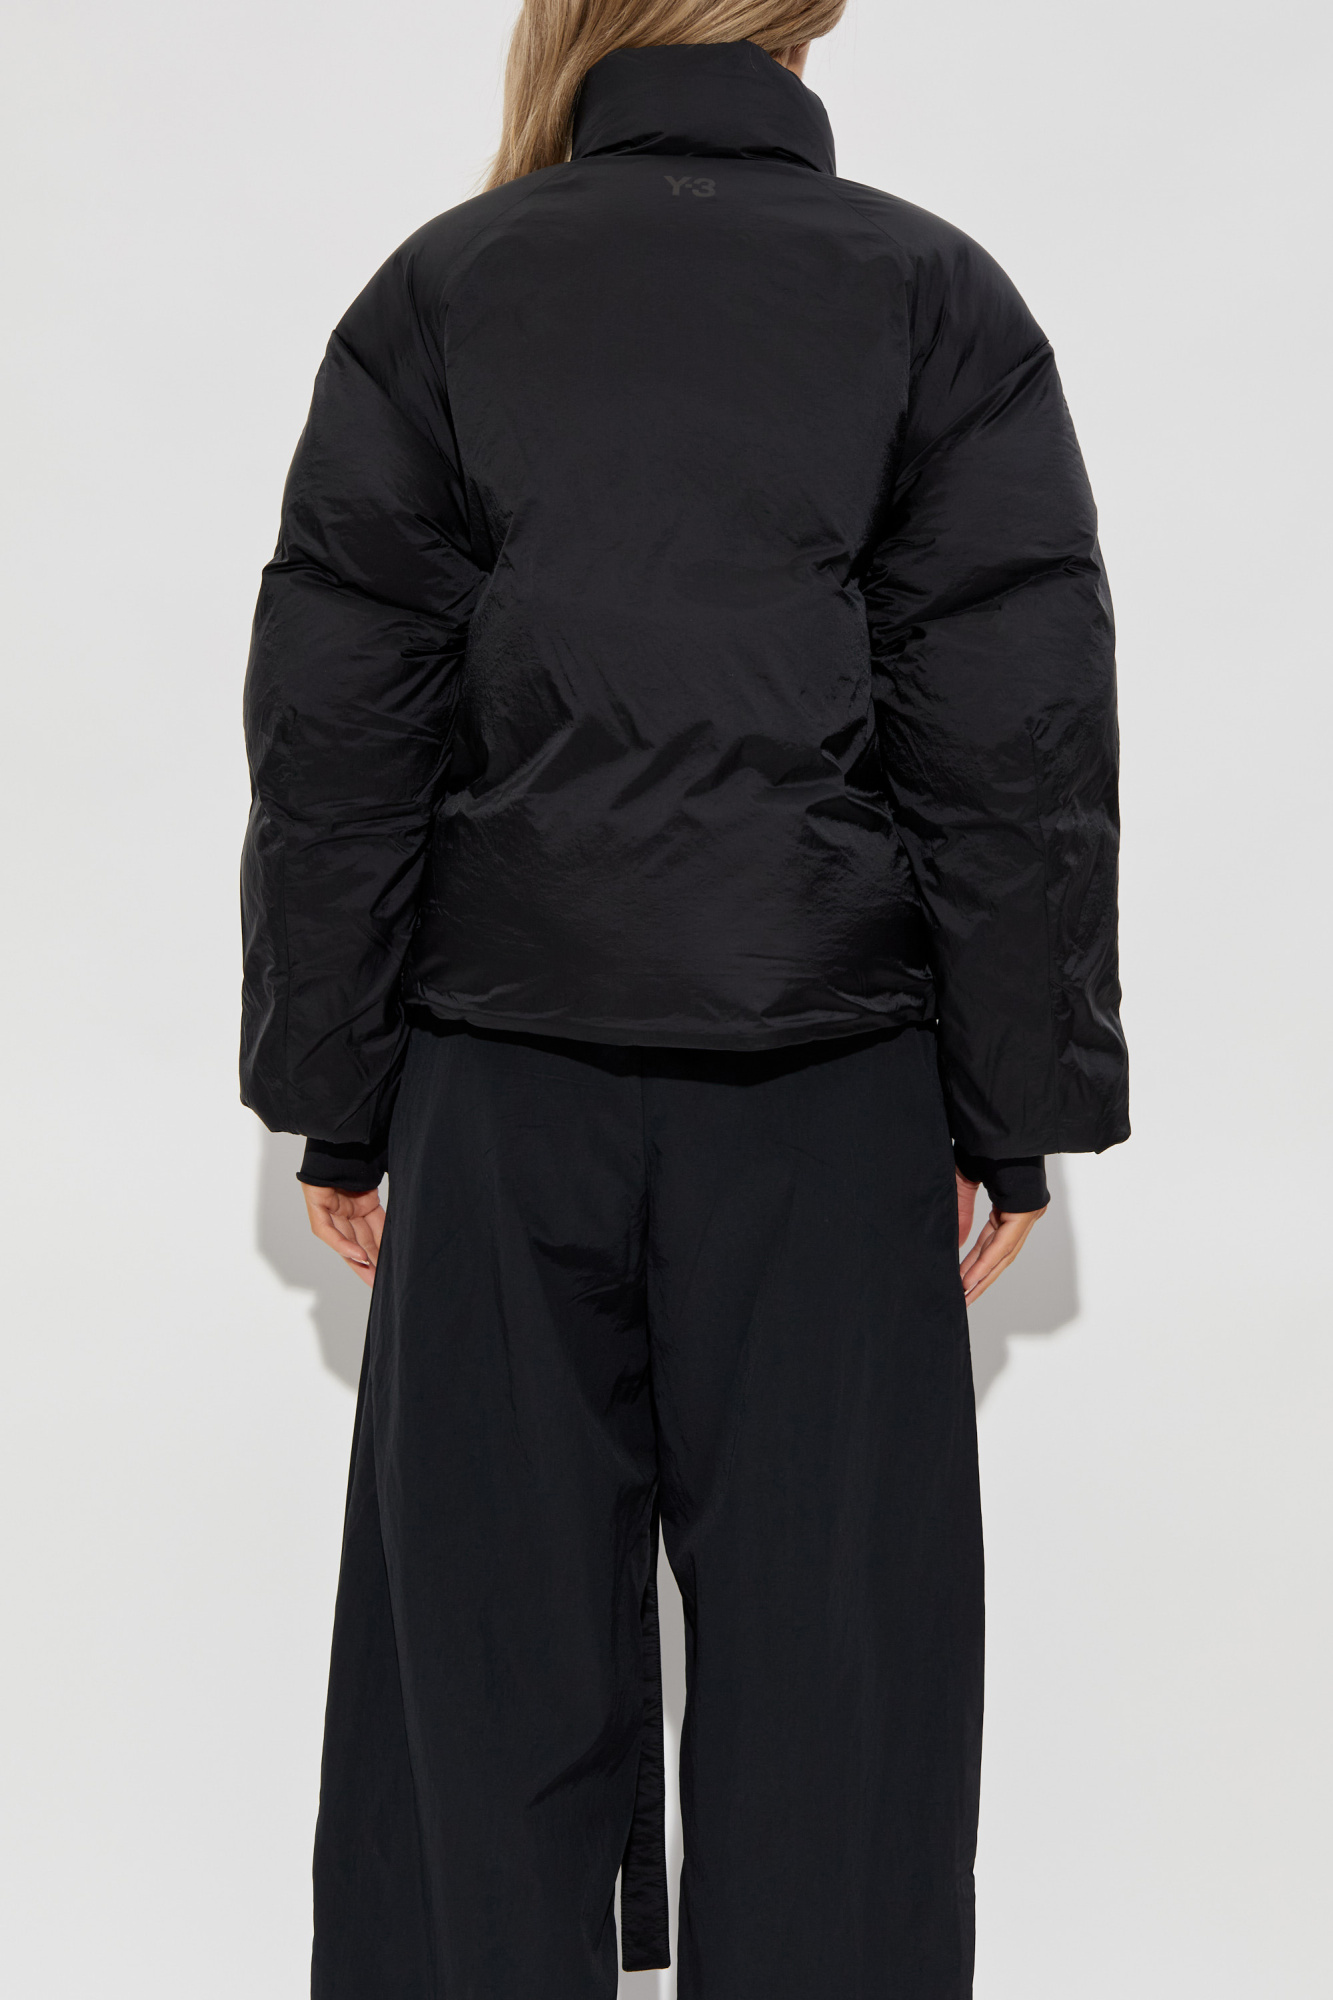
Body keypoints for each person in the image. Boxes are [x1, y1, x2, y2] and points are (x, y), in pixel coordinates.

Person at [239, 2, 1128, 1993]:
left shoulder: (444, 290)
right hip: (825, 1092)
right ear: (801, 27)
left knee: (473, 1698)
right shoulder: (931, 298)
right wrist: (1009, 1108)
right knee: (841, 1714)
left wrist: (342, 1094)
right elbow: (1012, 739)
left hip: (500, 1087)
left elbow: (337, 734)